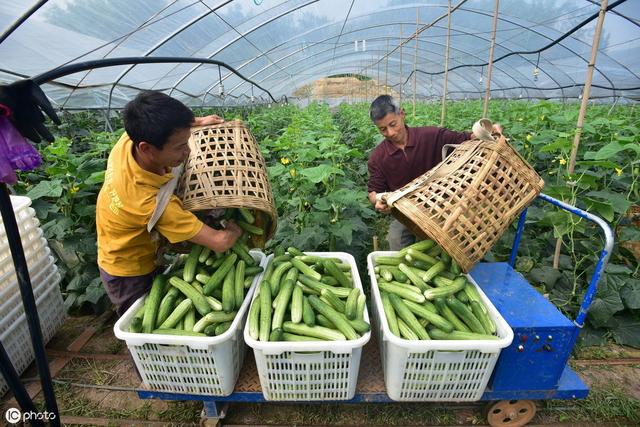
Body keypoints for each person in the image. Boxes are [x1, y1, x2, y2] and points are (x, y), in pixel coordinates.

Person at [96, 91, 242, 316]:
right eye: (179, 147)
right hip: (128, 268)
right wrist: (234, 228)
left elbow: (165, 123)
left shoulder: (130, 140)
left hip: (136, 242)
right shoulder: (150, 204)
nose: (188, 151)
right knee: (143, 320)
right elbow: (220, 242)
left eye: (187, 141)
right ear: (147, 148)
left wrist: (198, 122)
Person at [367, 94, 502, 250]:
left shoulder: (431, 136)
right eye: (383, 129)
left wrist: (489, 131)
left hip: (443, 207)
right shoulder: (378, 157)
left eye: (393, 124)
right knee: (396, 238)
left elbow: (466, 138)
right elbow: (374, 191)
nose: (390, 132)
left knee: (455, 244)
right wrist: (377, 202)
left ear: (401, 114)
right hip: (408, 214)